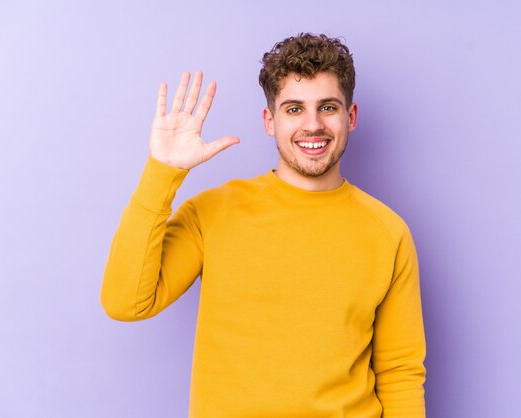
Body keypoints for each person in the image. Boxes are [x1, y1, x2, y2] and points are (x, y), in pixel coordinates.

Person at [101, 33, 426, 417]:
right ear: (269, 121)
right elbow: (126, 303)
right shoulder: (213, 212)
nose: (312, 125)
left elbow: (399, 372)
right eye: (293, 109)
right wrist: (162, 172)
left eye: (327, 107)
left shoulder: (388, 231)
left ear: (350, 117)